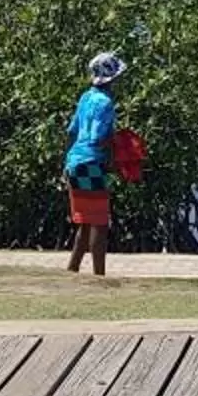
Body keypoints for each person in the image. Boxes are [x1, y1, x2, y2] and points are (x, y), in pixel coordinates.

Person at [66, 52, 124, 277]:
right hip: (91, 163)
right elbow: (98, 138)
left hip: (74, 162)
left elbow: (72, 132)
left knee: (85, 221)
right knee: (99, 222)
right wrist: (116, 150)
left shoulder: (86, 97)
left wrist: (65, 162)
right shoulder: (105, 103)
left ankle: (72, 270)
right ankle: (99, 276)